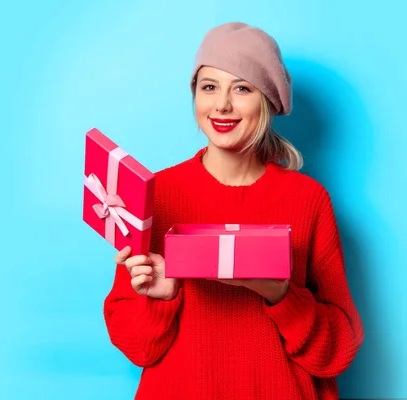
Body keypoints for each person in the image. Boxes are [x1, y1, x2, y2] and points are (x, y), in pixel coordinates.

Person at [103, 22, 364, 400]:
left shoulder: (308, 199)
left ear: (269, 100)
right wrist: (161, 299)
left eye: (241, 88)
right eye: (209, 87)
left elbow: (339, 350)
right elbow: (138, 348)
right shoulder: (153, 195)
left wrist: (282, 296)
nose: (222, 104)